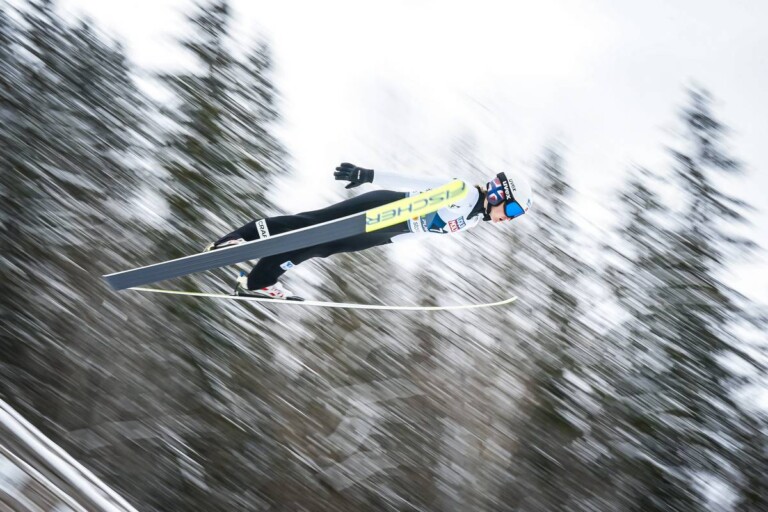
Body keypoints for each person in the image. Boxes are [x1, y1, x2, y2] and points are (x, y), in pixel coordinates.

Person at [205, 163, 533, 300]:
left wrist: (390, 239)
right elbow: (414, 184)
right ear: (498, 192)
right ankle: (237, 240)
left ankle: (256, 282)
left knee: (314, 247)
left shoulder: (474, 218)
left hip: (386, 230)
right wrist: (368, 174)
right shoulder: (463, 192)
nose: (510, 218)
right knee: (308, 225)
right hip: (380, 210)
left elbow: (423, 231)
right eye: (513, 209)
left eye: (516, 215)